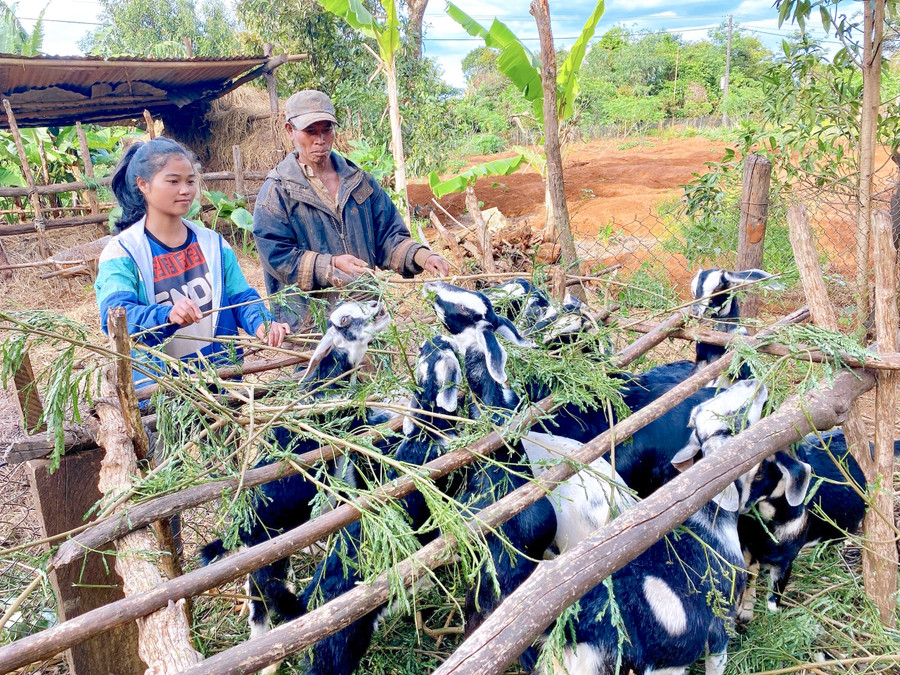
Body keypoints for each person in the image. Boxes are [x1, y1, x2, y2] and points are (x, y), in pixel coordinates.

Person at [95, 137, 289, 387]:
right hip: (161, 391)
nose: (185, 190)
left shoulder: (213, 244)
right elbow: (115, 317)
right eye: (173, 181)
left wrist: (261, 321)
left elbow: (240, 298)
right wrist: (167, 316)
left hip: (221, 381)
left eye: (190, 181)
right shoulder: (123, 253)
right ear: (143, 184)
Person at [252, 89, 450, 331]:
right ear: (290, 131)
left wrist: (421, 255)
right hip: (311, 327)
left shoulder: (360, 183)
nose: (320, 139)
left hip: (364, 316)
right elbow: (277, 257)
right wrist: (330, 265)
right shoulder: (277, 192)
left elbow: (388, 235)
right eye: (310, 131)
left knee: (368, 369)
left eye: (326, 129)